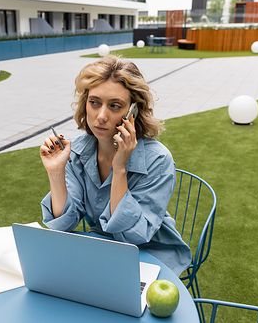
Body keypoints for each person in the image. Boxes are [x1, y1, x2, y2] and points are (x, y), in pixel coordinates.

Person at [39, 55, 192, 276]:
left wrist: (119, 167)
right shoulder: (77, 151)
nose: (101, 116)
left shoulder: (159, 160)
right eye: (94, 102)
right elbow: (63, 225)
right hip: (104, 248)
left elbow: (134, 237)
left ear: (133, 112)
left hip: (151, 254)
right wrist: (56, 173)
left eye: (115, 106)